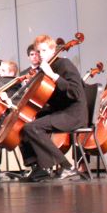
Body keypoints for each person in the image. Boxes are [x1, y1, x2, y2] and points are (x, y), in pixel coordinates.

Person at [20, 35, 87, 182]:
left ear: (53, 50)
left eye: (44, 50)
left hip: (74, 113)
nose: (40, 54)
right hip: (60, 110)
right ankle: (38, 168)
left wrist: (53, 75)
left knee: (33, 128)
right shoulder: (44, 68)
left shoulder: (64, 64)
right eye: (38, 51)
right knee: (22, 124)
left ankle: (67, 167)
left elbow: (75, 92)